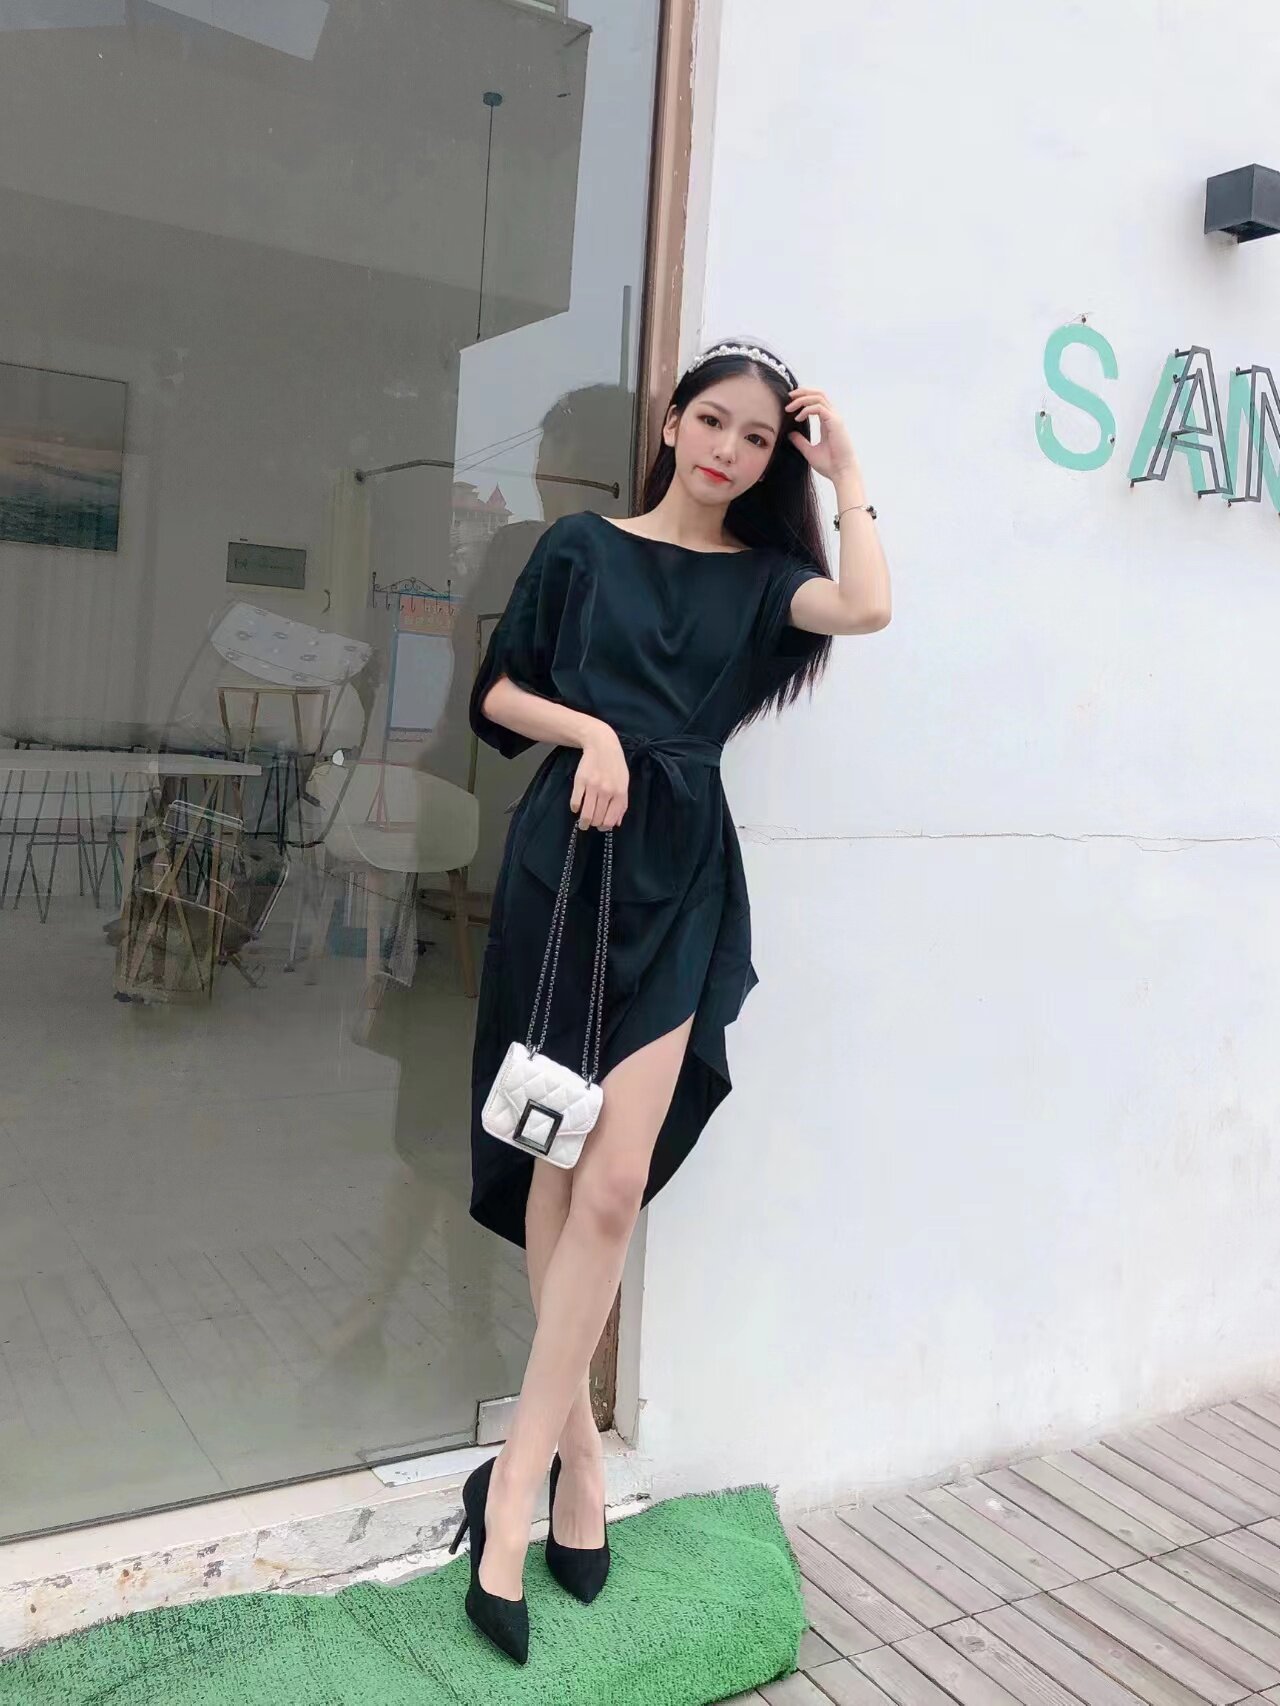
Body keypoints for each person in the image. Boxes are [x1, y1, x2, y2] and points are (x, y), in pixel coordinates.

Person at [451, 340, 892, 1663]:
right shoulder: (581, 548)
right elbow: (497, 693)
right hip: (570, 861)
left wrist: (847, 467)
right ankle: (571, 1467)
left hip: (683, 872)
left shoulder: (765, 581)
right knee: (557, 1158)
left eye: (756, 438)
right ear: (673, 422)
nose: (729, 451)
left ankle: (516, 1483)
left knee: (611, 1184)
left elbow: (868, 607)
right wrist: (591, 731)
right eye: (713, 422)